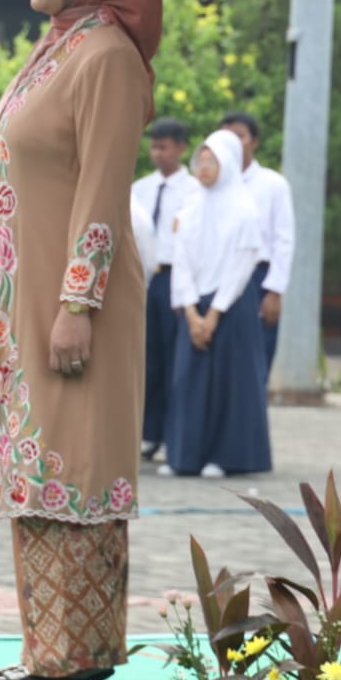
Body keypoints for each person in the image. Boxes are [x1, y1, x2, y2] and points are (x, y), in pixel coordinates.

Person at [0, 0, 155, 680]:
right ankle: (59, 648)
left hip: (76, 300)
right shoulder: (58, 48)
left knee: (69, 466)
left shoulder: (105, 56)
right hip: (28, 294)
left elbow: (103, 191)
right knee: (35, 466)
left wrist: (77, 303)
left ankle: (71, 653)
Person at [162, 128, 269, 479]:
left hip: (231, 307)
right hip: (195, 305)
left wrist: (214, 313)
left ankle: (225, 457)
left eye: (212, 161)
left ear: (229, 164)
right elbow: (181, 259)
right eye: (200, 161)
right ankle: (185, 456)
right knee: (188, 381)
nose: (204, 168)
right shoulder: (191, 209)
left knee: (228, 382)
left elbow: (241, 267)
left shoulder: (244, 210)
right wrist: (192, 312)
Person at [130, 117, 198, 458]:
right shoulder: (141, 188)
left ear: (181, 148)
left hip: (178, 277)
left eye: (164, 146)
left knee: (176, 358)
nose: (157, 153)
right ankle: (149, 432)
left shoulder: (195, 189)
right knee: (149, 357)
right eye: (153, 146)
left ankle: (174, 434)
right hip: (148, 276)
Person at [219, 111, 293, 375]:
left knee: (255, 361)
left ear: (254, 142)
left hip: (257, 279)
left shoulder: (273, 184)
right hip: (218, 277)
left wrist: (274, 291)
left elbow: (283, 240)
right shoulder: (214, 184)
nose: (233, 144)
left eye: (239, 136)